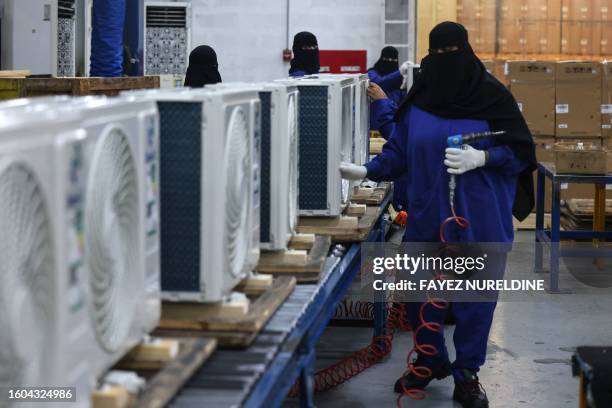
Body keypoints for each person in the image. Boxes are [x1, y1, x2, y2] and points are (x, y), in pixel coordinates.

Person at [340, 22, 536, 408]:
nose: (446, 61)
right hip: (428, 215)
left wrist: (484, 156)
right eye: (439, 53)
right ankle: (428, 362)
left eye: (452, 52)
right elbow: (399, 152)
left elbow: (521, 152)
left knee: (474, 303)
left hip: (479, 219)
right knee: (418, 297)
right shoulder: (421, 100)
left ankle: (467, 374)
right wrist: (367, 170)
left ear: (466, 50)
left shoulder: (494, 98)